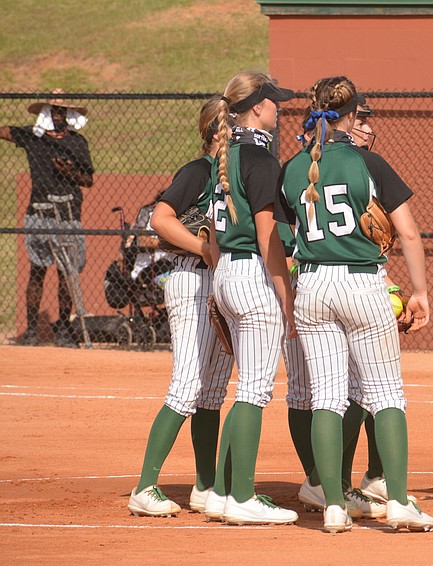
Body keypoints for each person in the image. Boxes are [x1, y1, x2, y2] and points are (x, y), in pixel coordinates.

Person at [278, 75, 433, 533]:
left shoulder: (291, 168)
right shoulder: (367, 163)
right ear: (350, 116)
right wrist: (421, 291)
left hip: (311, 287)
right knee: (385, 394)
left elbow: (282, 239)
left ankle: (332, 504)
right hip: (362, 285)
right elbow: (406, 232)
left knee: (325, 397)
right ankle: (400, 502)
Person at [200, 71, 300, 526]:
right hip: (254, 276)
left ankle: (222, 493)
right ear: (256, 107)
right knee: (255, 392)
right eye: (273, 102)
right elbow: (267, 238)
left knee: (246, 390)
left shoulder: (225, 154)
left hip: (226, 273)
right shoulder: (260, 158)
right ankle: (241, 495)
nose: (279, 109)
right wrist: (286, 295)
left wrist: (225, 281)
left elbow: (213, 233)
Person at [127, 98, 235, 517]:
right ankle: (145, 486)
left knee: (211, 393)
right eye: (232, 126)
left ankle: (205, 486)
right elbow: (160, 218)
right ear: (217, 132)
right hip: (191, 277)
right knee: (188, 386)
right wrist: (203, 247)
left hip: (223, 282)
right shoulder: (197, 172)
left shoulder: (234, 174)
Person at [0, 88, 94, 348]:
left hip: (67, 215)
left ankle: (64, 329)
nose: (58, 114)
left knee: (67, 273)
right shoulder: (34, 137)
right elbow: (6, 131)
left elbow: (88, 180)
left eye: (63, 110)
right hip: (38, 212)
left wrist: (70, 171)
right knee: (37, 271)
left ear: (69, 113)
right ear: (47, 112)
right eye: (54, 110)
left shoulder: (77, 142)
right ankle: (31, 330)